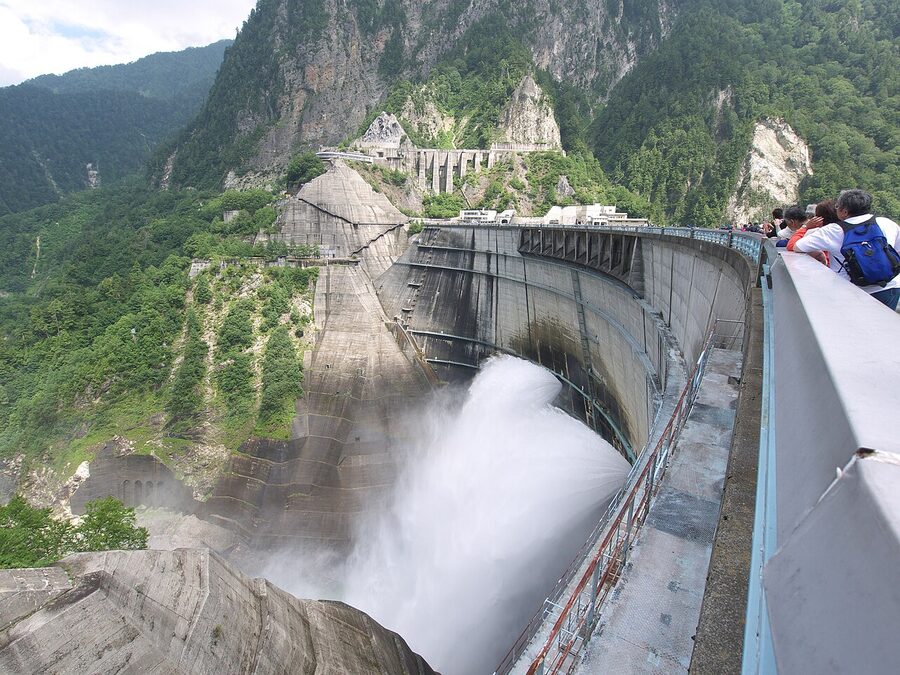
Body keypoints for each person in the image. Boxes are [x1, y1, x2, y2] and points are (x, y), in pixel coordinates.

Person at [789, 189, 900, 309]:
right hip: (890, 287)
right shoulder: (887, 223)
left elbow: (796, 246)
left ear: (844, 211)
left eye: (837, 207)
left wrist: (806, 227)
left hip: (851, 291)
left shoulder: (833, 230)